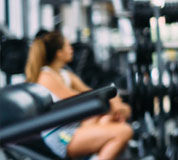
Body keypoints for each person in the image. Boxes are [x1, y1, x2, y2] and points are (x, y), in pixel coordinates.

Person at [25, 30, 134, 160]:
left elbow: (92, 94)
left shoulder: (65, 74)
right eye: (67, 46)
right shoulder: (46, 76)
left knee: (110, 120)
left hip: (75, 127)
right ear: (59, 53)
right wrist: (114, 105)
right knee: (123, 132)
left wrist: (115, 104)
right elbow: (79, 101)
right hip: (60, 135)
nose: (72, 49)